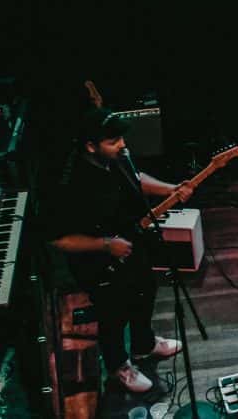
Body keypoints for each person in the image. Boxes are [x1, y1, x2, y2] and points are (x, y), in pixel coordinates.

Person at [46, 107, 196, 393]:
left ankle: (144, 345)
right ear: (90, 146)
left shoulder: (116, 159)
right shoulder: (69, 185)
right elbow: (58, 239)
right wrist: (105, 245)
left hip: (131, 243)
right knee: (112, 314)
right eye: (113, 141)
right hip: (97, 261)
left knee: (145, 291)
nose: (122, 145)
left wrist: (170, 189)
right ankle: (118, 367)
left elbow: (135, 179)